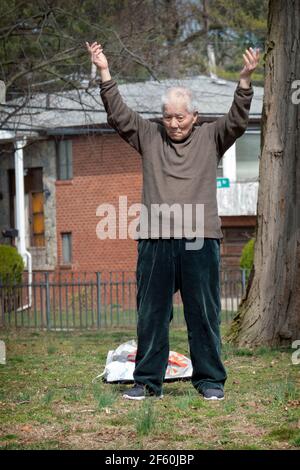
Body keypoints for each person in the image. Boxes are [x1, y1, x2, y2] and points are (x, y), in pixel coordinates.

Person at [86, 41, 260, 401]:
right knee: (151, 317)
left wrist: (244, 81)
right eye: (168, 116)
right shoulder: (149, 137)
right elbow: (119, 114)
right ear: (161, 117)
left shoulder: (211, 137)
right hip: (155, 240)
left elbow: (238, 121)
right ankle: (148, 382)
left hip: (200, 239)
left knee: (204, 315)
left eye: (181, 116)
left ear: (195, 116)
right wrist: (104, 72)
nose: (174, 123)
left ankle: (210, 380)